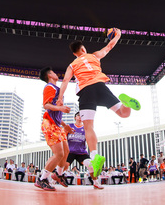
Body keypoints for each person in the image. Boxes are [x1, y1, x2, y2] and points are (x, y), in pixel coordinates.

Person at [57, 29, 140, 180]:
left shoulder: (72, 65)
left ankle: (95, 156)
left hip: (85, 92)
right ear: (83, 49)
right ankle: (126, 104)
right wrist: (119, 35)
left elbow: (65, 81)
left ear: (75, 53)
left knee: (89, 127)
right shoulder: (94, 55)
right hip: (101, 86)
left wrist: (60, 97)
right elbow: (109, 47)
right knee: (123, 113)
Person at [36, 67, 73, 191]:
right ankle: (42, 179)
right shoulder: (49, 87)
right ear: (50, 75)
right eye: (53, 72)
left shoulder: (56, 89)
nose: (56, 74)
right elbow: (46, 105)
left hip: (56, 125)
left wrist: (64, 125)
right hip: (49, 124)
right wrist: (61, 109)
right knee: (59, 154)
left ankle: (58, 174)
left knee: (66, 152)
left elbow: (55, 113)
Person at [63, 111, 102, 189]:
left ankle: (96, 183)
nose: (80, 117)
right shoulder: (69, 126)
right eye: (78, 115)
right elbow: (63, 137)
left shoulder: (86, 128)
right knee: (64, 166)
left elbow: (90, 139)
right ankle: (52, 181)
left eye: (82, 115)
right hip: (70, 151)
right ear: (75, 117)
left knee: (90, 164)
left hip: (81, 152)